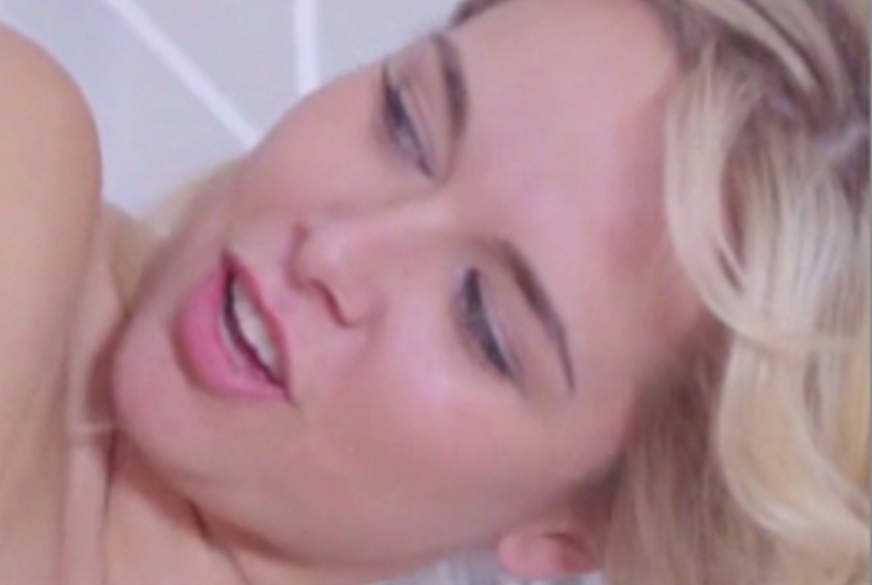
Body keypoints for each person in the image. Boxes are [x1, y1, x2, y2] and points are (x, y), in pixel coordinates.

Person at [0, 0, 868, 584]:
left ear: (564, 534)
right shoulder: (25, 155)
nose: (336, 252)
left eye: (482, 320)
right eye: (406, 121)